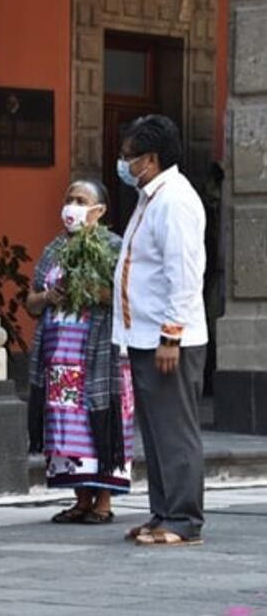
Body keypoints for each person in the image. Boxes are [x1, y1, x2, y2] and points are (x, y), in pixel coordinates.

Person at [113, 114, 208, 546]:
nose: (124, 163)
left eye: (129, 157)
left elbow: (183, 275)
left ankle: (184, 520)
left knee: (175, 430)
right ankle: (163, 512)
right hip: (144, 336)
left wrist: (171, 335)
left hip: (167, 340)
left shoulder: (175, 200)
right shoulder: (152, 197)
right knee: (154, 432)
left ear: (150, 159)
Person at [26, 179, 134, 525]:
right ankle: (80, 499)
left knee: (99, 423)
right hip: (60, 360)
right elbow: (30, 300)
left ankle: (103, 502)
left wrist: (90, 290)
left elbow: (125, 296)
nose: (72, 206)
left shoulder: (113, 248)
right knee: (66, 425)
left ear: (98, 211)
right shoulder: (54, 249)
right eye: (69, 199)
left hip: (100, 357)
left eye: (80, 200)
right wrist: (47, 298)